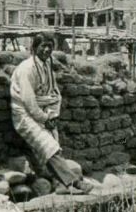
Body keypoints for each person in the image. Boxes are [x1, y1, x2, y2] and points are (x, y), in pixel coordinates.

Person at [10, 33, 92, 193]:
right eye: (43, 46)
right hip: (24, 114)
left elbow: (53, 94)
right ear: (34, 48)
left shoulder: (46, 65)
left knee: (53, 144)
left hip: (44, 113)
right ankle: (74, 183)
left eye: (50, 46)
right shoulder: (27, 69)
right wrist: (44, 118)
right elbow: (29, 101)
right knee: (49, 145)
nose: (47, 49)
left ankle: (60, 184)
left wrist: (52, 115)